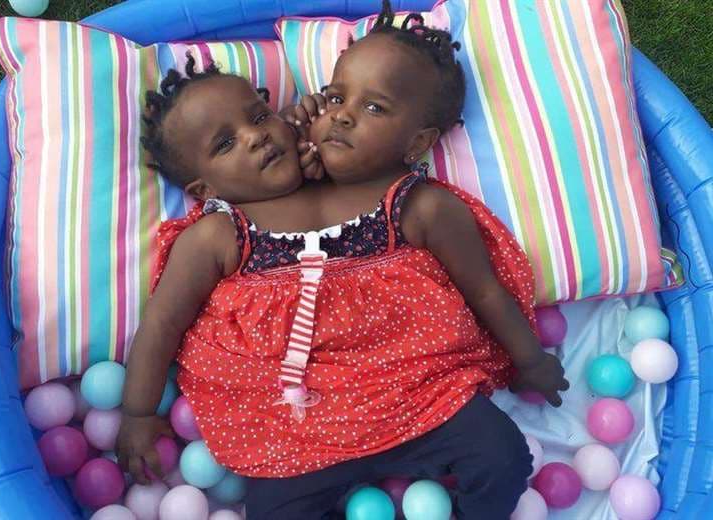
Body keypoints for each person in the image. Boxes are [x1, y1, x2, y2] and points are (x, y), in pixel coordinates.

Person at [117, 2, 569, 517]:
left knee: (503, 458)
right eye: (226, 144)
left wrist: (530, 360)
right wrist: (137, 412)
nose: (257, 135)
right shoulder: (218, 235)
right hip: (296, 429)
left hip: (421, 397)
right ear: (204, 190)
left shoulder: (412, 204)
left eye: (260, 116)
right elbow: (162, 322)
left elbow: (485, 289)